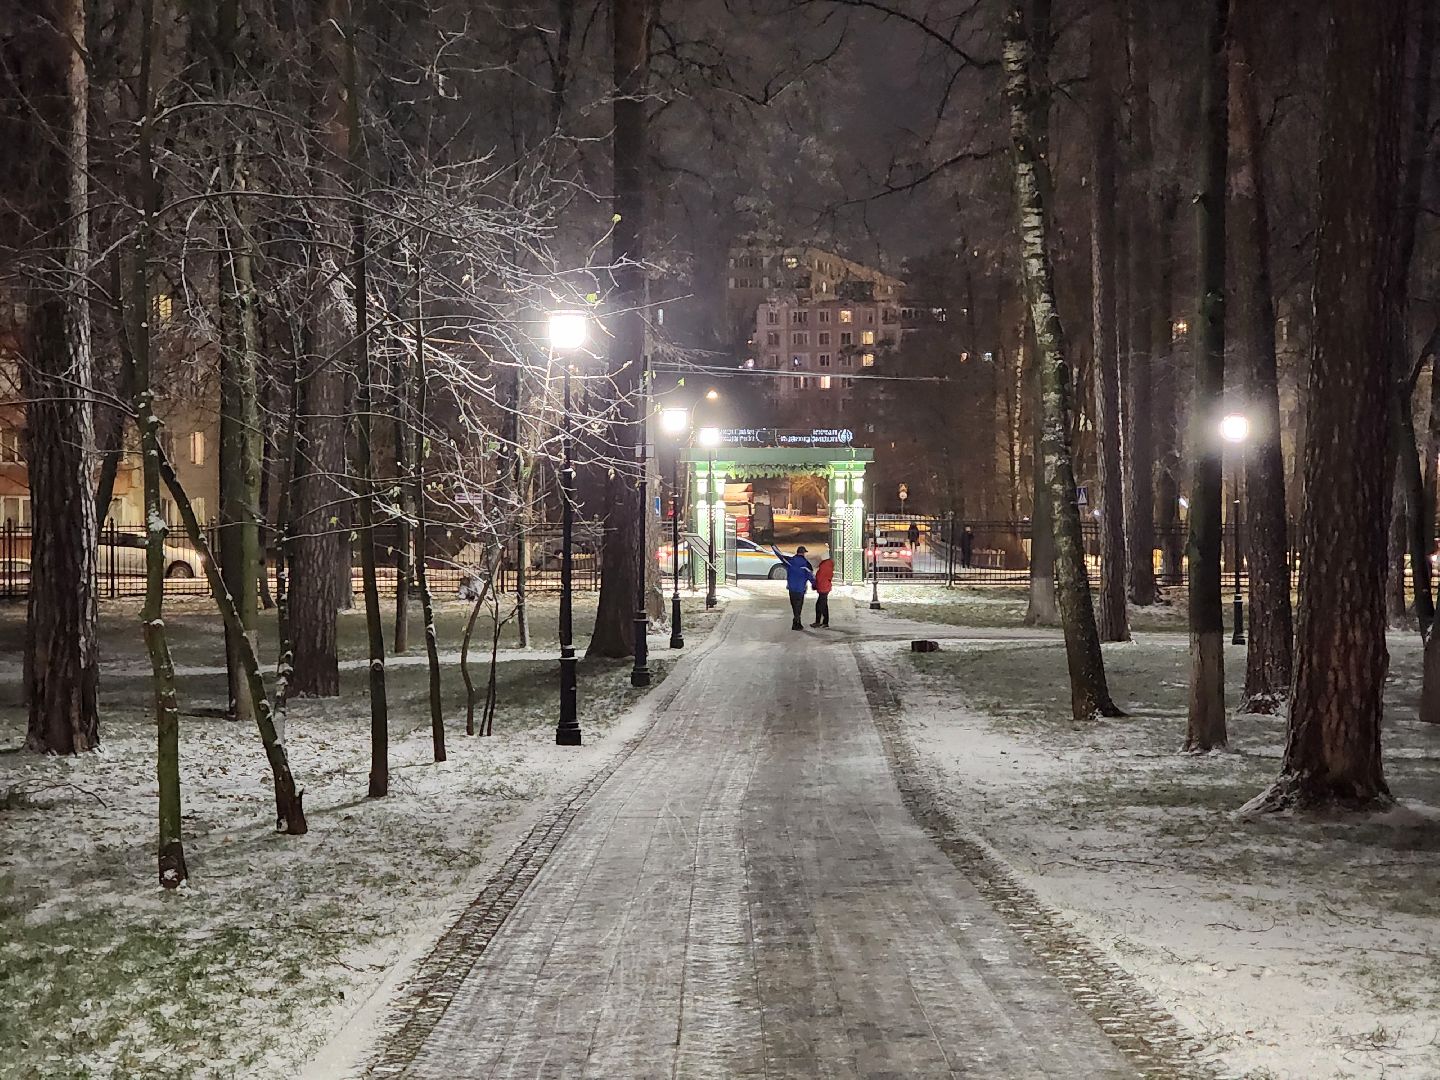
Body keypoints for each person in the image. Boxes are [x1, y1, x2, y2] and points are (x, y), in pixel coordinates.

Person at [771, 543, 815, 630]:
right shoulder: (806, 564)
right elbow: (811, 576)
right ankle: (796, 622)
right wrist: (815, 585)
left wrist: (773, 546)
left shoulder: (790, 561)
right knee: (799, 606)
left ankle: (797, 622)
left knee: (794, 606)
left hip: (791, 588)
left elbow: (780, 556)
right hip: (800, 589)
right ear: (803, 553)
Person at [812, 552, 835, 627]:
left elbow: (819, 577)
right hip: (826, 586)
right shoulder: (828, 564)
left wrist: (815, 584)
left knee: (819, 606)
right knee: (823, 605)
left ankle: (819, 622)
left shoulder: (824, 566)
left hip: (823, 587)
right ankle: (825, 622)